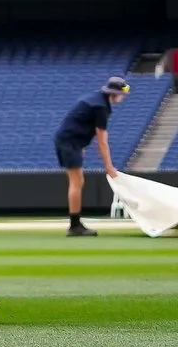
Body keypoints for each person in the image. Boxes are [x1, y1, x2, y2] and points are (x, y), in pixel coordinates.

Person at [55, 77, 130, 238]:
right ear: (114, 93)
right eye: (121, 94)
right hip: (69, 142)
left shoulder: (96, 100)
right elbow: (102, 142)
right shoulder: (100, 107)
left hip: (69, 141)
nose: (122, 97)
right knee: (76, 182)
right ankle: (74, 226)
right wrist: (109, 167)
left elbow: (77, 122)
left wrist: (80, 145)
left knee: (78, 181)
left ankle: (75, 223)